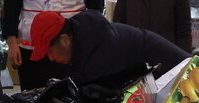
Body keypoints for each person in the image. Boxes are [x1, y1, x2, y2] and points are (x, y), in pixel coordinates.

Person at [29, 9, 189, 86]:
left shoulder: (100, 52)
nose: (50, 58)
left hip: (182, 76)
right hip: (161, 81)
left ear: (64, 40)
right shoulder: (85, 39)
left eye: (49, 51)